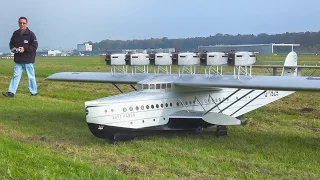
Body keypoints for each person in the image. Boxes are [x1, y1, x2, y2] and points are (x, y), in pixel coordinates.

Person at [2, 16, 38, 98]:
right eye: (20, 23)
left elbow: (34, 46)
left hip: (28, 60)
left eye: (24, 23)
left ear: (27, 23)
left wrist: (24, 49)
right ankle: (11, 92)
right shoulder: (15, 33)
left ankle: (33, 92)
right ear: (18, 23)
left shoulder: (31, 34)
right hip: (18, 60)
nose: (22, 24)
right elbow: (11, 43)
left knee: (31, 77)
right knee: (15, 76)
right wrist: (13, 49)